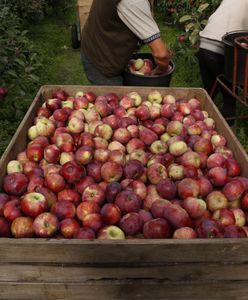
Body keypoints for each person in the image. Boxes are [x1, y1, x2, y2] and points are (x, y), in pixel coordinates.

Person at [80, 0, 171, 86]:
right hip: (102, 59)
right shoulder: (134, 3)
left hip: (98, 42)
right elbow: (161, 55)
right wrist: (161, 69)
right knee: (114, 99)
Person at [196, 0, 248, 126]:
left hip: (204, 44)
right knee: (230, 94)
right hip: (221, 48)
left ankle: (197, 120)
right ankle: (228, 130)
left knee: (209, 91)